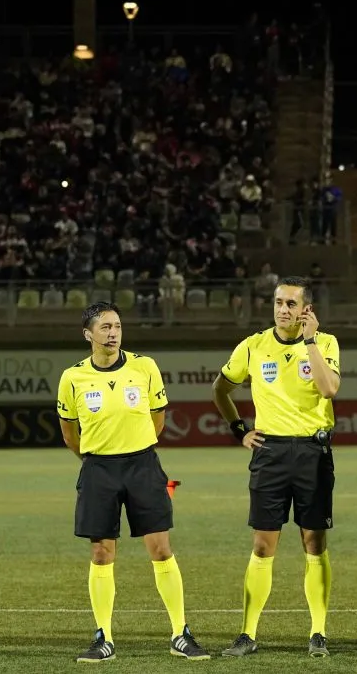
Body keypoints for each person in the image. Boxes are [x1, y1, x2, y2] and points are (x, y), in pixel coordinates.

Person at [56, 302, 210, 663]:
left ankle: (180, 633)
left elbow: (158, 420)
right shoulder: (72, 377)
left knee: (160, 548)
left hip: (143, 466)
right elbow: (69, 433)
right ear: (88, 335)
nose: (113, 332)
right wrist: (98, 459)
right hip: (98, 470)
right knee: (101, 552)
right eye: (105, 327)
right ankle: (103, 637)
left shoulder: (145, 367)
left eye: (117, 326)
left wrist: (132, 450)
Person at [211, 276, 340, 658]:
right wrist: (239, 430)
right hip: (269, 454)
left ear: (307, 310)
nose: (283, 309)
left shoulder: (326, 343)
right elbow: (221, 388)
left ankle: (318, 632)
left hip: (313, 453)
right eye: (279, 302)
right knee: (263, 545)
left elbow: (329, 389)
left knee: (313, 542)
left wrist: (311, 341)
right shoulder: (253, 346)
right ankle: (248, 633)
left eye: (291, 304)